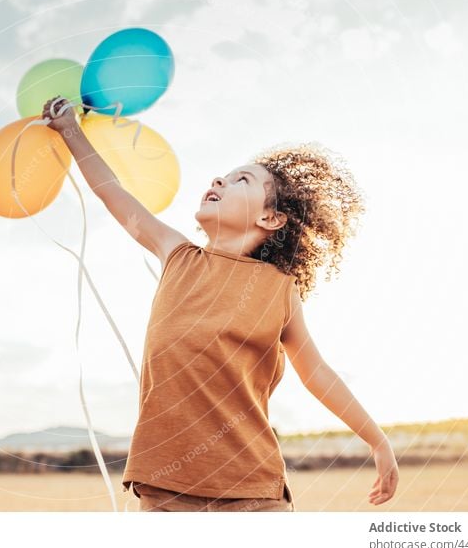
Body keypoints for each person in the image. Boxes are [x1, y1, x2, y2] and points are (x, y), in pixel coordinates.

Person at [42, 96, 399, 512]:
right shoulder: (176, 254)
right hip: (164, 489)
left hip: (251, 493)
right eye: (222, 177)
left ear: (271, 218)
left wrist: (378, 440)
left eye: (241, 181)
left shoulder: (280, 290)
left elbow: (317, 373)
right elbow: (112, 192)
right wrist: (70, 130)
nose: (218, 181)